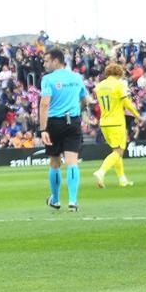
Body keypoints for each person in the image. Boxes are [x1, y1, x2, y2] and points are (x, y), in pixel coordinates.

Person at [39, 48, 89, 211]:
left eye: (46, 60)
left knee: (54, 162)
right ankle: (73, 201)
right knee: (72, 162)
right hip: (73, 121)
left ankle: (56, 200)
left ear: (56, 60)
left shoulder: (48, 79)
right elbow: (85, 100)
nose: (44, 64)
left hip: (54, 123)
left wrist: (43, 129)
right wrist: (78, 111)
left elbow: (45, 104)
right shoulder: (76, 77)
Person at [92, 62, 138, 188]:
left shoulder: (99, 86)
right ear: (119, 73)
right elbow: (127, 103)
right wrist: (137, 115)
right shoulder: (119, 84)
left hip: (104, 122)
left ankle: (122, 179)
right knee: (118, 152)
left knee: (115, 151)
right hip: (116, 122)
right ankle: (101, 171)